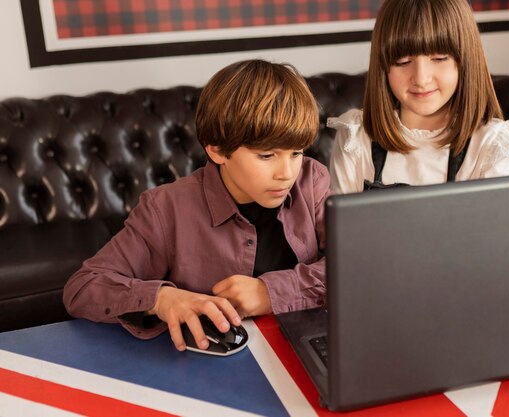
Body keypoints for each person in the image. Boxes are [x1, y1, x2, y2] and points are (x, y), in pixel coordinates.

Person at [63, 59, 330, 352]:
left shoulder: (312, 180)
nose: (287, 173)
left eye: (296, 153)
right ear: (216, 149)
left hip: (305, 350)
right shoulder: (165, 208)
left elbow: (353, 268)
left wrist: (271, 293)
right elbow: (83, 287)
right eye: (266, 156)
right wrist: (160, 299)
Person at [328, 0, 509, 194]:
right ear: (383, 66)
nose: (421, 79)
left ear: (464, 62)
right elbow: (343, 233)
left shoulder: (492, 146)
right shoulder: (355, 138)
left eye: (439, 58)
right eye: (403, 62)